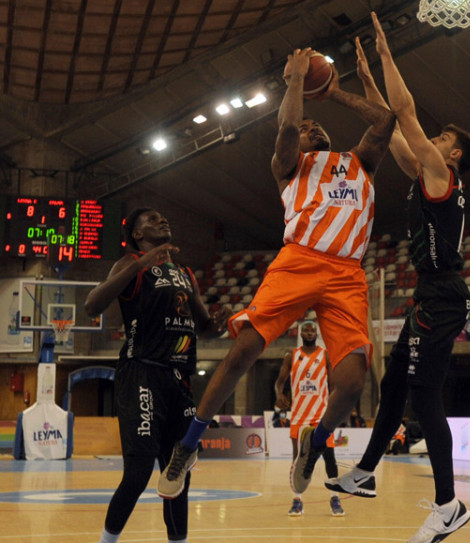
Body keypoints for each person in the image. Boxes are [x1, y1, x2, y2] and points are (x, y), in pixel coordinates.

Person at [157, 47, 396, 499]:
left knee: (352, 382)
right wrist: (295, 83)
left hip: (347, 273)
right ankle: (187, 445)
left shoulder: (359, 161)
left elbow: (385, 122)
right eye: (306, 127)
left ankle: (315, 442)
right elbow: (287, 126)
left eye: (314, 124)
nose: (310, 127)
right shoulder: (288, 166)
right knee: (245, 348)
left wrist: (334, 91)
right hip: (300, 259)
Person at [325, 14, 470, 543]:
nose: (431, 140)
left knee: (424, 396)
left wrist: (389, 53)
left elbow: (408, 113)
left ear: (453, 154)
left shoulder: (442, 174)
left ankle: (448, 505)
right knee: (393, 382)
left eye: (441, 138)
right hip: (428, 295)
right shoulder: (423, 174)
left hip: (443, 295)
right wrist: (367, 79)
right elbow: (395, 126)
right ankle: (367, 472)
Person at [83, 208, 229, 543]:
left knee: (178, 476)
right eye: (151, 219)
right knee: (137, 472)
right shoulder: (129, 262)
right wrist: (139, 263)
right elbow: (92, 305)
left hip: (179, 377)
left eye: (164, 217)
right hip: (142, 372)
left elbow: (204, 327)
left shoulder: (184, 272)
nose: (162, 220)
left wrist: (218, 325)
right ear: (136, 234)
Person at [273, 322, 345, 516]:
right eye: (306, 330)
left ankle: (335, 498)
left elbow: (333, 386)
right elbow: (279, 383)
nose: (309, 332)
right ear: (300, 333)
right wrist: (279, 394)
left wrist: (332, 406)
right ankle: (297, 500)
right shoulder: (291, 356)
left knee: (330, 457)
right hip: (298, 415)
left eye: (313, 330)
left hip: (321, 416)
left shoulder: (325, 355)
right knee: (297, 459)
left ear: (317, 334)